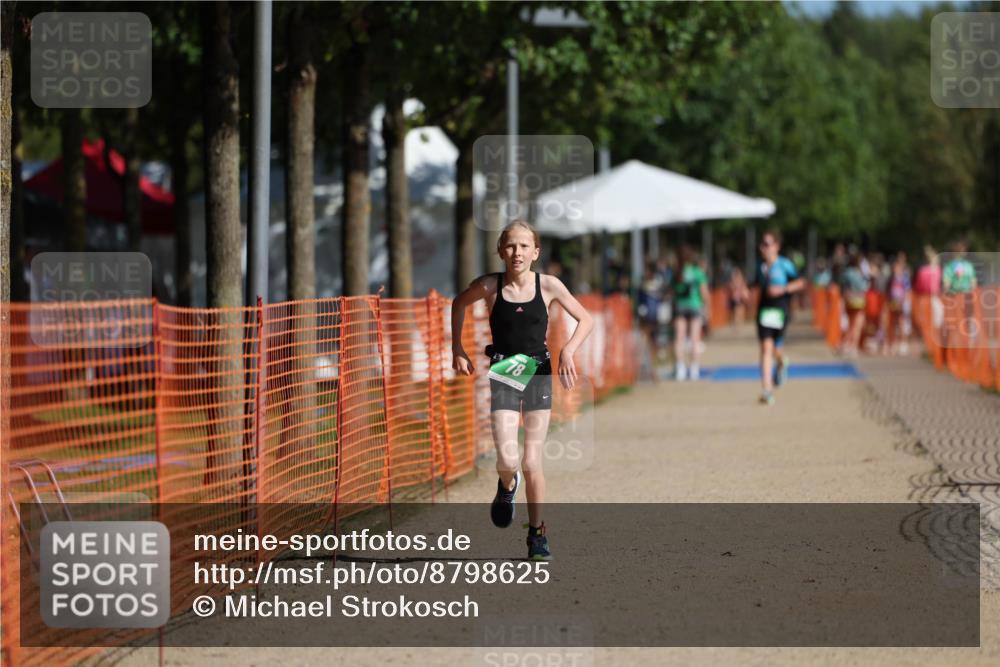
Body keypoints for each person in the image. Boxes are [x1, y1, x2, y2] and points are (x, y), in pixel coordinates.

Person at [451, 221, 593, 561]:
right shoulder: (489, 286)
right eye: (511, 246)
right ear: (501, 250)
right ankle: (506, 485)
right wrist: (456, 348)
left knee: (531, 461)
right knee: (508, 459)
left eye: (524, 246)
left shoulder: (550, 286)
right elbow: (458, 303)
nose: (517, 253)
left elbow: (585, 319)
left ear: (536, 252)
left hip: (538, 371)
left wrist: (568, 350)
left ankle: (537, 533)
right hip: (504, 371)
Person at [755, 230, 805, 405]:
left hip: (780, 312)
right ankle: (767, 390)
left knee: (775, 349)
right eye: (762, 244)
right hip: (763, 312)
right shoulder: (759, 266)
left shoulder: (785, 265)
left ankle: (782, 361)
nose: (764, 248)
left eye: (767, 244)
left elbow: (800, 282)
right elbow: (754, 285)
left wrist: (783, 289)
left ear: (776, 246)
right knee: (765, 348)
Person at [670, 245, 710, 381]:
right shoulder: (697, 272)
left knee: (679, 339)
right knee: (695, 338)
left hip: (680, 306)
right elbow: (704, 292)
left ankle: (680, 367)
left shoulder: (676, 272)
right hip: (695, 306)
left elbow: (672, 292)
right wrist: (707, 307)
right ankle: (694, 368)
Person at [637, 260, 665, 380]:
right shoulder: (654, 284)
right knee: (647, 342)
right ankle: (645, 370)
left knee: (651, 343)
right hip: (649, 317)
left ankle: (651, 370)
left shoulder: (649, 284)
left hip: (651, 317)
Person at [838, 252, 869, 358]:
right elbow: (865, 287)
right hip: (859, 300)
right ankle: (853, 346)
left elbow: (842, 287)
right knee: (857, 325)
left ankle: (846, 345)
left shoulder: (846, 273)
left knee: (850, 324)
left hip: (849, 300)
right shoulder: (860, 273)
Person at [885, 252, 912, 355]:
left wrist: (905, 302)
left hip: (901, 302)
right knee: (891, 323)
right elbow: (888, 290)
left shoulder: (905, 277)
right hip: (892, 302)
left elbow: (907, 290)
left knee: (901, 322)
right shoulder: (891, 278)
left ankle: (903, 343)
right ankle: (892, 343)